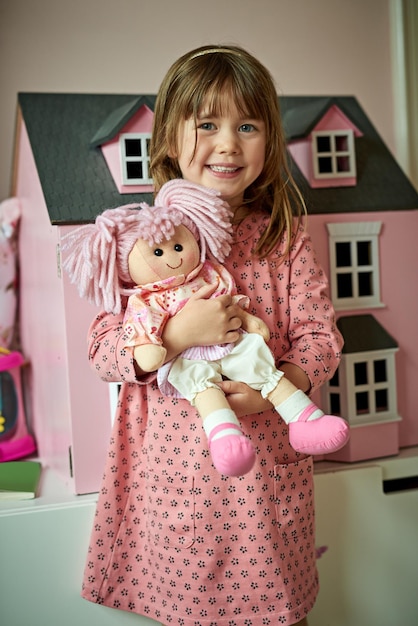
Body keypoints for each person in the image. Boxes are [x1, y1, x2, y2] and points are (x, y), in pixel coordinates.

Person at [80, 45, 345, 626]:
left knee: (282, 613)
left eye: (246, 125)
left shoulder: (283, 240)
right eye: (207, 125)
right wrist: (173, 336)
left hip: (265, 490)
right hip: (177, 490)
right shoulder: (140, 239)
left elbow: (320, 335)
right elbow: (102, 351)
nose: (228, 143)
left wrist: (287, 381)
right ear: (171, 140)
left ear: (268, 141)